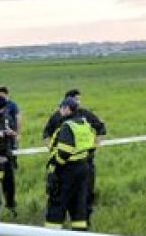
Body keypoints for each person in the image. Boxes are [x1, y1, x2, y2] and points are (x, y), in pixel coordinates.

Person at [42, 88, 106, 222]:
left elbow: (101, 129)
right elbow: (46, 134)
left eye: (79, 100)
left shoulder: (85, 115)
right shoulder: (57, 117)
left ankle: (71, 227)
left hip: (76, 164)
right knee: (76, 200)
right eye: (76, 100)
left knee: (80, 198)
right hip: (76, 165)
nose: (78, 103)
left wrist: (94, 148)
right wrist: (52, 150)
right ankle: (78, 229)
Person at [0, 95, 18, 217]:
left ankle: (10, 205)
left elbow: (14, 131)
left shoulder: (7, 117)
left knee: (9, 183)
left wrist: (11, 133)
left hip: (6, 153)